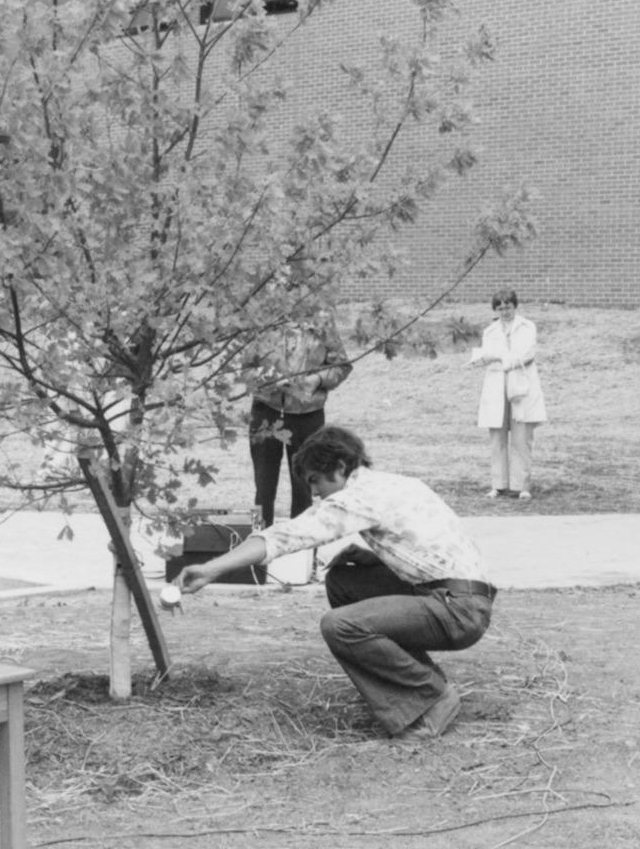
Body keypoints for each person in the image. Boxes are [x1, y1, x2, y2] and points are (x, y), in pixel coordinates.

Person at [178, 425, 493, 740]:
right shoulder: (396, 484)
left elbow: (287, 536)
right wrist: (377, 558)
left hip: (457, 610)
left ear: (341, 468)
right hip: (461, 597)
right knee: (344, 581)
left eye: (315, 480)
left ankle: (431, 699)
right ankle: (422, 682)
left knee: (339, 626)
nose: (314, 493)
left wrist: (212, 569)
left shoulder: (359, 496)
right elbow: (430, 549)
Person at [244, 309, 352, 528]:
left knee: (305, 488)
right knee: (262, 489)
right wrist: (270, 380)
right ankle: (257, 550)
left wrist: (317, 380)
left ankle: (302, 552)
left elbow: (341, 366)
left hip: (308, 416)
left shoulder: (322, 320)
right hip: (266, 411)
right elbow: (246, 369)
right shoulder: (262, 314)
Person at [467, 289, 547, 500]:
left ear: (515, 306)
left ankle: (522, 485)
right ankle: (498, 484)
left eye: (508, 307)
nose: (505, 312)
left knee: (521, 438)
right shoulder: (490, 331)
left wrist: (503, 359)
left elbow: (527, 354)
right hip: (496, 385)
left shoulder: (527, 327)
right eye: (500, 308)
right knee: (497, 438)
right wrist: (496, 358)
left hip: (520, 385)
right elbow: (487, 355)